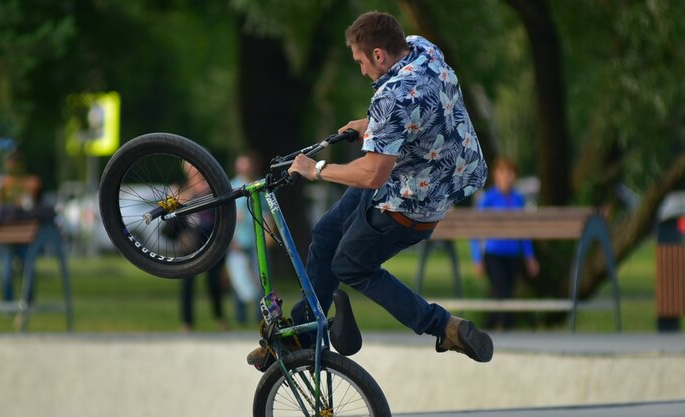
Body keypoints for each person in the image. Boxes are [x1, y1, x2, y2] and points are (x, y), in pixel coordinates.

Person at [247, 11, 493, 367]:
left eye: (361, 61)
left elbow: (372, 174)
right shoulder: (424, 50)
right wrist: (374, 125)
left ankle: (445, 328)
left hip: (409, 206)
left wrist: (316, 169)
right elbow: (423, 109)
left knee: (350, 265)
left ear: (379, 54)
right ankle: (304, 331)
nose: (361, 70)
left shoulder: (391, 98)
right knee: (326, 234)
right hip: (432, 175)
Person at [470, 157, 540, 330]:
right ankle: (508, 328)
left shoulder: (518, 199)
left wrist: (529, 257)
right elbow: (474, 231)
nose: (507, 177)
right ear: (496, 175)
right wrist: (477, 258)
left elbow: (523, 232)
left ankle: (489, 327)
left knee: (501, 292)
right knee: (504, 292)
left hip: (513, 253)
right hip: (494, 254)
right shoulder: (488, 199)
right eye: (503, 172)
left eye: (510, 172)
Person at [177, 161, 228, 332]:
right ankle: (187, 322)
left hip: (211, 238)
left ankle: (219, 317)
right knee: (187, 283)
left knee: (213, 281)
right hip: (190, 241)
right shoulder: (182, 189)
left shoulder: (211, 187)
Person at [0, 150, 42, 302]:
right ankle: (10, 303)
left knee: (25, 269)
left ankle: (26, 302)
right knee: (8, 271)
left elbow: (32, 203)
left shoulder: (30, 182)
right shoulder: (3, 184)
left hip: (26, 234)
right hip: (9, 235)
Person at [227, 152, 262, 325]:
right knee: (239, 279)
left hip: (257, 240)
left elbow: (266, 212)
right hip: (238, 241)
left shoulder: (259, 185)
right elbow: (228, 219)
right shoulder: (231, 186)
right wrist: (232, 241)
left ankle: (260, 316)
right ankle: (240, 318)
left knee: (260, 278)